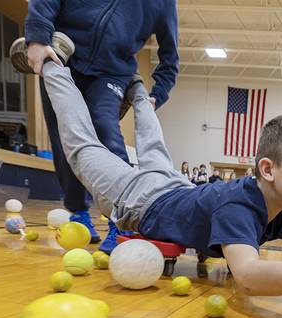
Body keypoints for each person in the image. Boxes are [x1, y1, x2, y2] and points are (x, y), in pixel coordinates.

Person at [22, 42, 282, 296]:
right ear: (268, 169)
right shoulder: (239, 206)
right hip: (138, 201)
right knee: (81, 146)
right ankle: (52, 61)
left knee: (152, 142)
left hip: (174, 187)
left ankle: (134, 84)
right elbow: (247, 276)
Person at [13, 0, 179, 254]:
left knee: (105, 128)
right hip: (62, 55)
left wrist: (158, 93)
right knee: (63, 139)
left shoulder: (164, 3)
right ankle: (78, 212)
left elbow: (170, 56)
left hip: (113, 73)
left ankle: (122, 220)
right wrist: (36, 38)